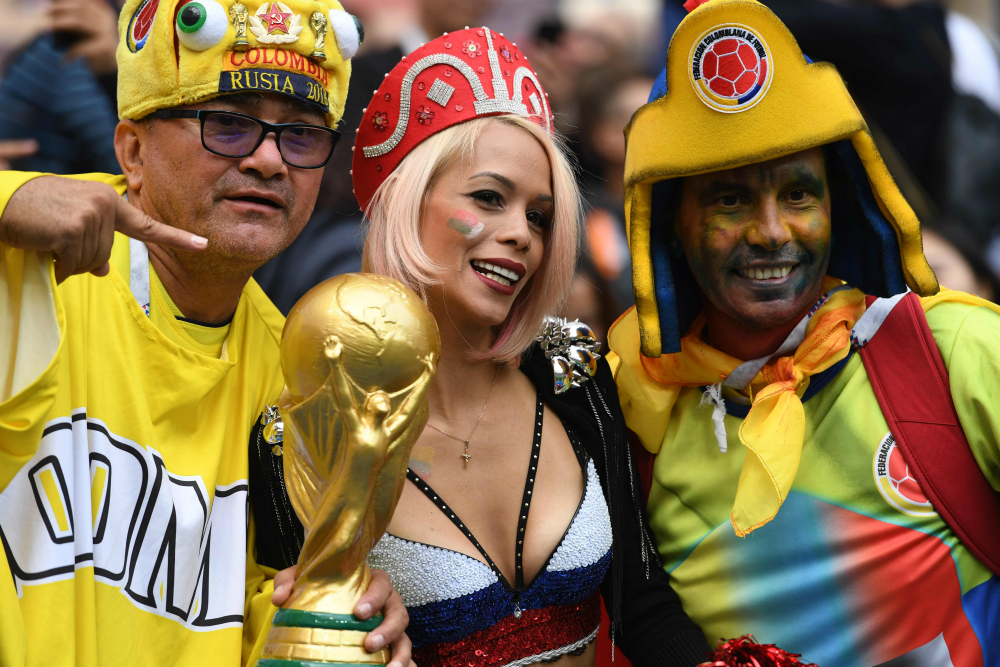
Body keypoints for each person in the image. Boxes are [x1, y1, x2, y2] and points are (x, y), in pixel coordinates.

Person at [0, 1, 414, 665]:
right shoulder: (30, 271)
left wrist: (334, 614)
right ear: (131, 150)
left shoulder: (296, 367)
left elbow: (248, 603)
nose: (269, 160)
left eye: (302, 136)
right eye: (228, 124)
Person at [607, 0, 1000, 664]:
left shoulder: (957, 348)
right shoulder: (634, 416)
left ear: (835, 207)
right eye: (730, 199)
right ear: (671, 222)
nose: (771, 230)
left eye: (797, 194)